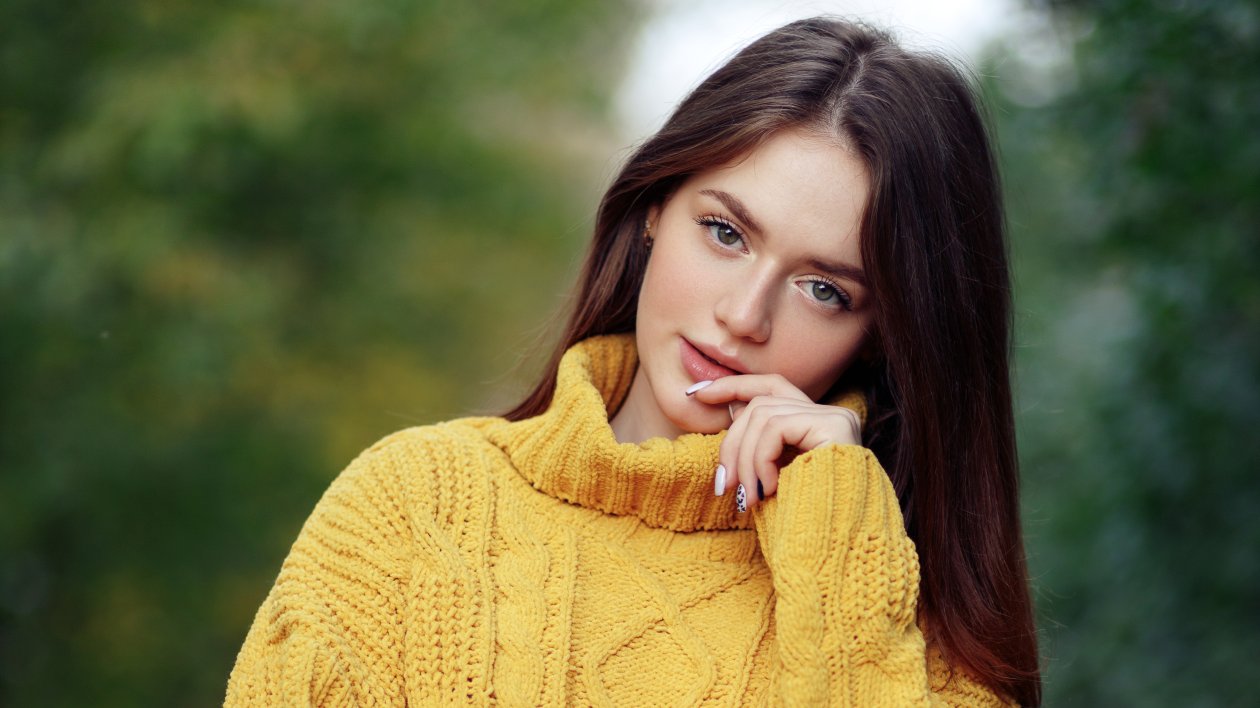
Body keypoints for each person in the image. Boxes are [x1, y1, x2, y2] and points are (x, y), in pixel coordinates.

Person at [226, 17, 1041, 706]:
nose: (742, 315)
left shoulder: (925, 646)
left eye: (824, 288)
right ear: (655, 207)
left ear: (885, 334)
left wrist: (839, 555)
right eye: (726, 232)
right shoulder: (412, 507)